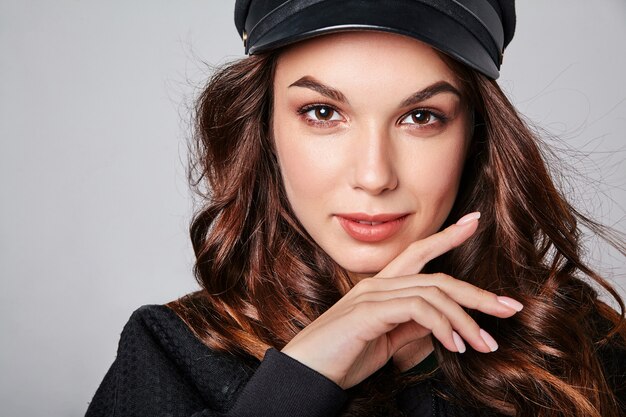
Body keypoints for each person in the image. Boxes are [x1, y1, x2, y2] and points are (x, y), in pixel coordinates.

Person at [85, 1, 626, 416]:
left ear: (475, 137)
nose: (373, 175)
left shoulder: (576, 344)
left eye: (420, 117)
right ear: (264, 129)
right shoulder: (173, 351)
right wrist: (299, 380)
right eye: (322, 112)